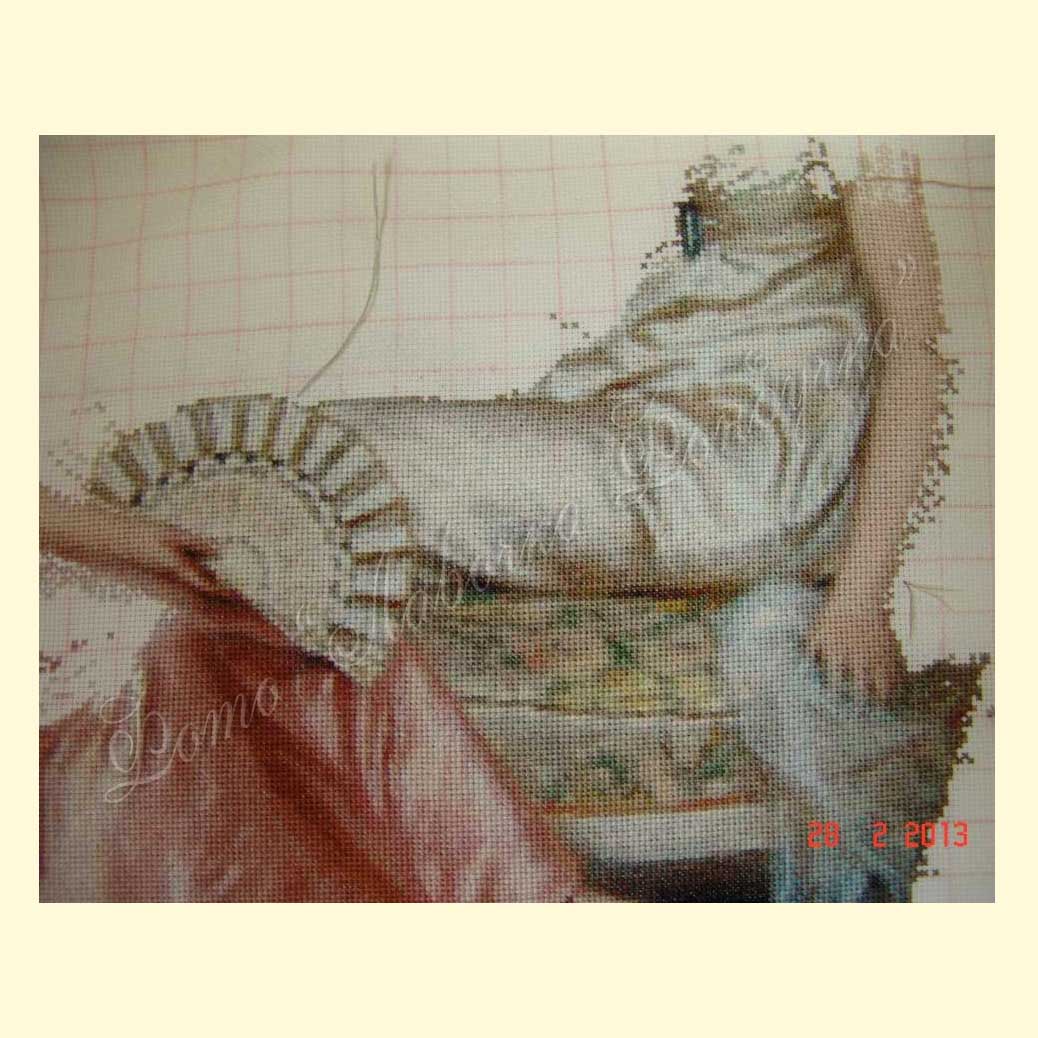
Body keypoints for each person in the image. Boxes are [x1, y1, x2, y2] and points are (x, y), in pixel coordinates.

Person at [40, 140, 950, 901]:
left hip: (729, 467)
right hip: (627, 408)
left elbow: (917, 342)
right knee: (295, 496)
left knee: (330, 459)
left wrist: (862, 591)